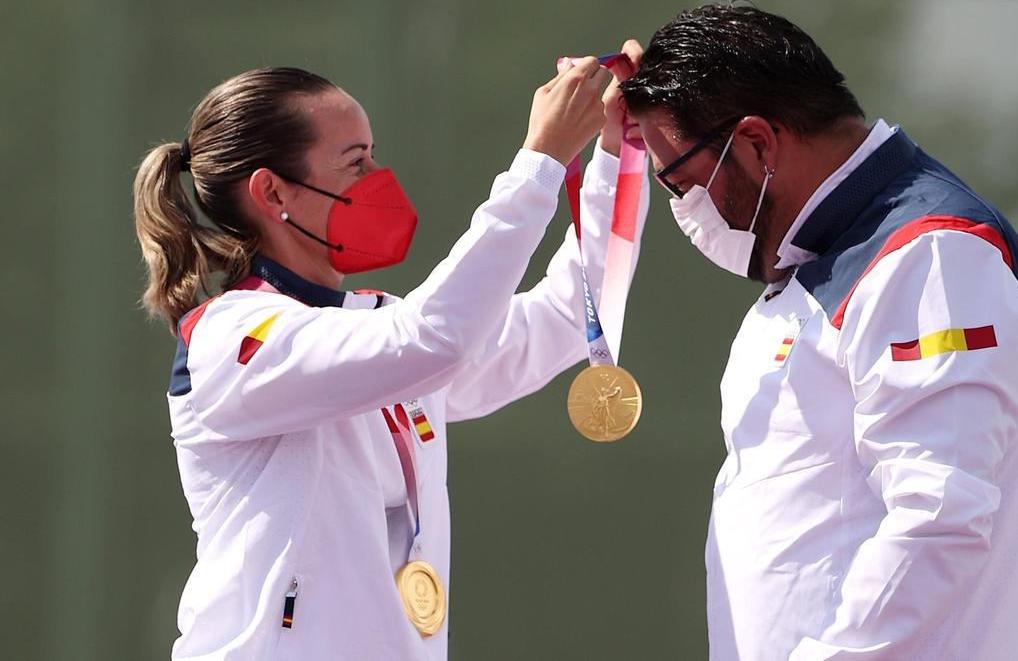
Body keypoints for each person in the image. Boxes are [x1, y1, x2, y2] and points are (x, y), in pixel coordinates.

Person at [133, 57, 647, 660]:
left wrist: (616, 155)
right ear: (272, 192)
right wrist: (538, 163)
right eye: (355, 162)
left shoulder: (374, 322)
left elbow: (567, 318)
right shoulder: (233, 338)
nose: (379, 178)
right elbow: (432, 338)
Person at [620, 4, 1018, 660]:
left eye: (680, 180)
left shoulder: (931, 251)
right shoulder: (817, 261)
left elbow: (938, 522)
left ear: (760, 144)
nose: (685, 206)